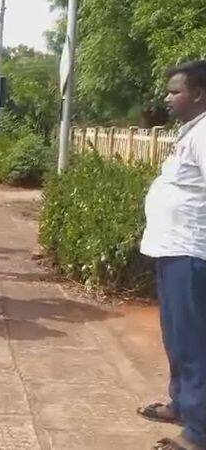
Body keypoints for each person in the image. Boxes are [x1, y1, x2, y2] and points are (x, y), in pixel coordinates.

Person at [136, 60, 206, 450]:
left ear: (199, 93)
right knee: (178, 338)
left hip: (192, 253)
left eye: (175, 91)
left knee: (193, 342)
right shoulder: (191, 132)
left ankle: (199, 431)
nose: (168, 98)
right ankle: (183, 404)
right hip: (173, 249)